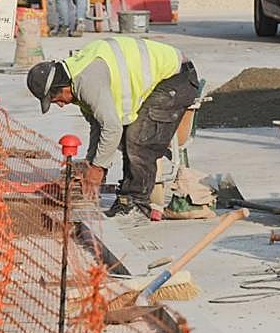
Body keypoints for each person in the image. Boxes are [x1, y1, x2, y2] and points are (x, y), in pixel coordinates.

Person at [26, 37, 200, 221]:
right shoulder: (76, 81)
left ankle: (136, 204)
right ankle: (128, 199)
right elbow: (98, 125)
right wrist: (92, 163)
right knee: (129, 138)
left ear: (61, 87)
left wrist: (98, 169)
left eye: (57, 100)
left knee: (138, 140)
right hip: (168, 76)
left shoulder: (86, 82)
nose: (61, 105)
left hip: (176, 77)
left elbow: (111, 128)